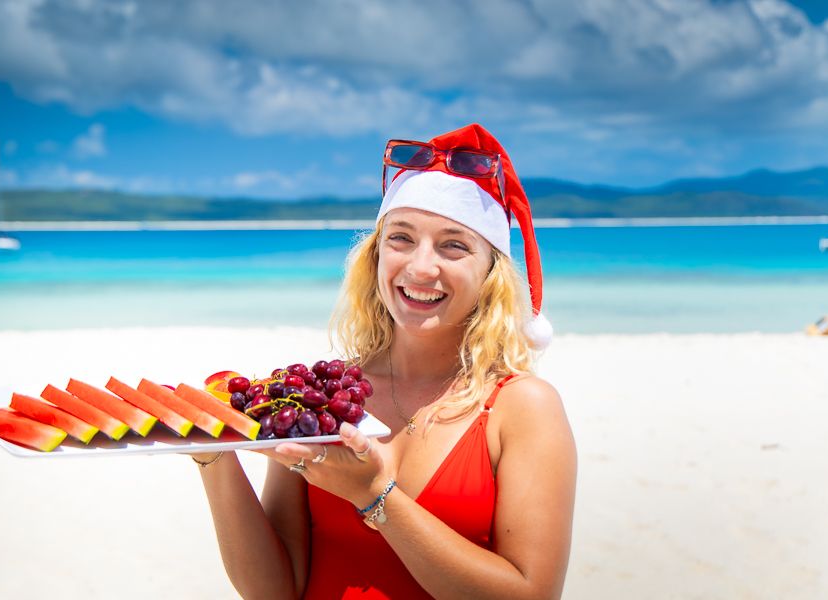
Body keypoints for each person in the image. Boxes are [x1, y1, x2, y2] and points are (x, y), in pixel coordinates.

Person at [191, 123, 576, 599]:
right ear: (373, 257)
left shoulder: (522, 407)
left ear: (490, 273)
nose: (420, 267)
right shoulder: (321, 397)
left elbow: (532, 595)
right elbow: (275, 591)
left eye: (454, 245)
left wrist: (376, 498)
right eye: (401, 238)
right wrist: (213, 456)